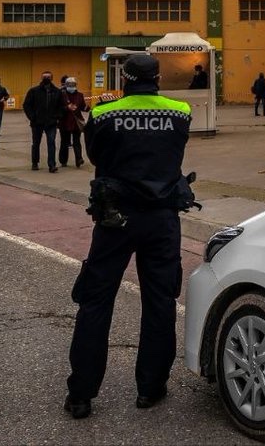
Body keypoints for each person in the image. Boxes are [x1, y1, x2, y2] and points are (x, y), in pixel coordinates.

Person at [65, 53, 192, 419]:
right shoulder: (180, 111)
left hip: (114, 217)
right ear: (158, 78)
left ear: (125, 77)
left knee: (96, 301)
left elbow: (95, 156)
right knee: (159, 301)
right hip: (162, 219)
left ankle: (82, 395)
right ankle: (150, 389)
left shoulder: (105, 114)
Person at [23, 70, 62, 173]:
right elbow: (26, 105)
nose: (46, 79)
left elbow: (61, 106)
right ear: (41, 78)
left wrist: (57, 117)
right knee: (36, 143)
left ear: (52, 78)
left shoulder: (57, 92)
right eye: (44, 77)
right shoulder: (34, 91)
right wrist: (32, 117)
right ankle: (35, 163)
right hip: (37, 122)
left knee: (51, 143)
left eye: (48, 77)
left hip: (51, 123)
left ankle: (52, 165)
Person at [59, 76, 87, 168]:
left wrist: (91, 109)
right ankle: (63, 161)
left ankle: (79, 159)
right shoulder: (61, 95)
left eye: (73, 84)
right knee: (64, 142)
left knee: (77, 142)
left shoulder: (80, 95)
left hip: (76, 122)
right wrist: (67, 108)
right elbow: (57, 108)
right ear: (66, 85)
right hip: (64, 122)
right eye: (69, 84)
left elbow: (83, 106)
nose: (71, 86)